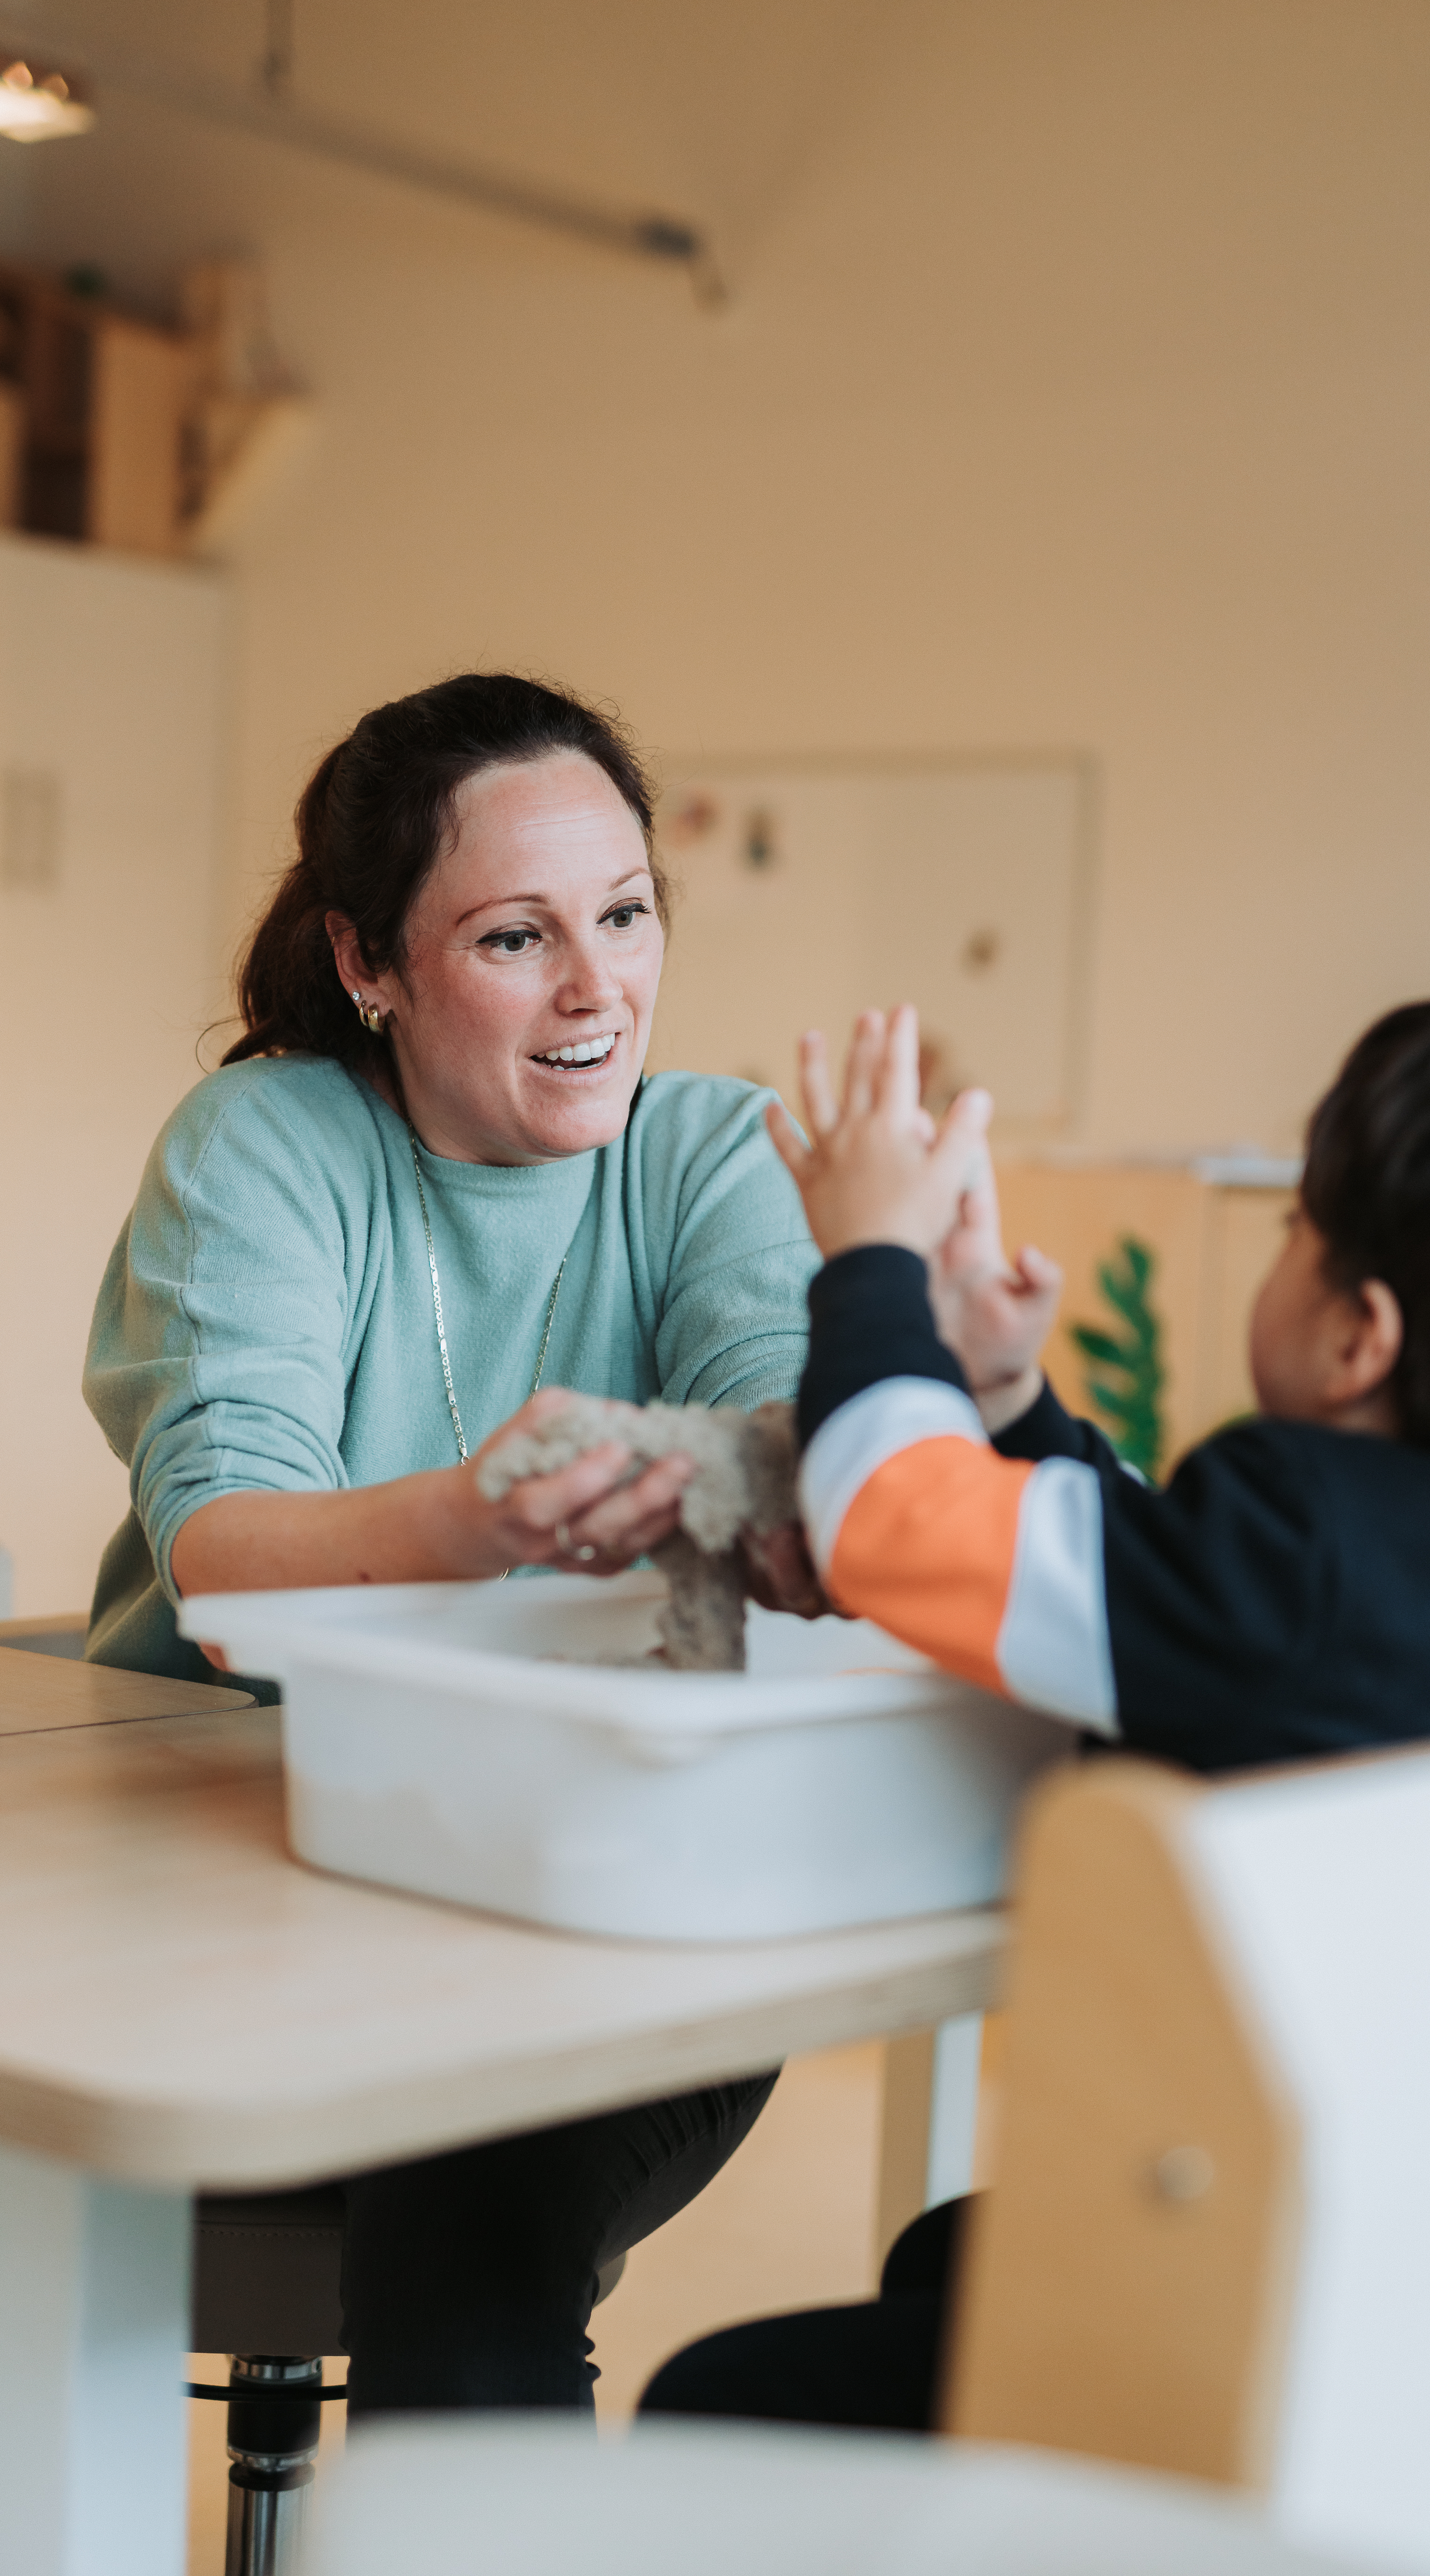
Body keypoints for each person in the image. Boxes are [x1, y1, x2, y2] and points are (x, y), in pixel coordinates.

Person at [639, 983, 1430, 2432]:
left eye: (1295, 1231)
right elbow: (1146, 1577)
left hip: (1267, 2340)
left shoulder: (1296, 1553)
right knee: (949, 2252)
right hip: (1414, 2272)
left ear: (1357, 1340)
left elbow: (890, 1517)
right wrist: (1005, 1393)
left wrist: (870, 1264)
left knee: (716, 2396)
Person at [82, 672, 821, 2417]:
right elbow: (222, 1559)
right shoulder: (267, 1143)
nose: (598, 990)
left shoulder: (710, 1149)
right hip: (230, 1876)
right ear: (370, 962)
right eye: (515, 936)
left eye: (626, 914)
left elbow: (793, 1483)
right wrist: (482, 1514)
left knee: (472, 2192)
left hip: (596, 1883)